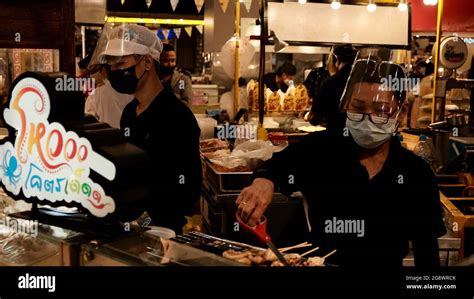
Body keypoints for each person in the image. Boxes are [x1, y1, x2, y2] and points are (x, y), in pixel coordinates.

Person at [236, 48, 446, 268]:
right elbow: (276, 166)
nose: (367, 118)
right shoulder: (322, 150)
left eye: (381, 110)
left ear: (399, 114)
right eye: (358, 107)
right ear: (346, 106)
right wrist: (262, 182)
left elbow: (427, 253)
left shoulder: (416, 173)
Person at [93, 24, 202, 233]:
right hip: (132, 225)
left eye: (121, 63)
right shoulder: (129, 112)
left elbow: (189, 186)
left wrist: (150, 214)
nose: (115, 72)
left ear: (146, 63)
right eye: (112, 66)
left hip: (166, 231)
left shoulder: (177, 115)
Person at [309, 44, 357, 132]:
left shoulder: (329, 83)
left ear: (335, 59)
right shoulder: (360, 81)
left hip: (335, 136)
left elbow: (314, 120)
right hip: (357, 138)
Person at [84, 64, 134, 129]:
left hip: (106, 137)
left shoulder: (95, 94)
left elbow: (90, 123)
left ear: (104, 71)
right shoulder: (137, 91)